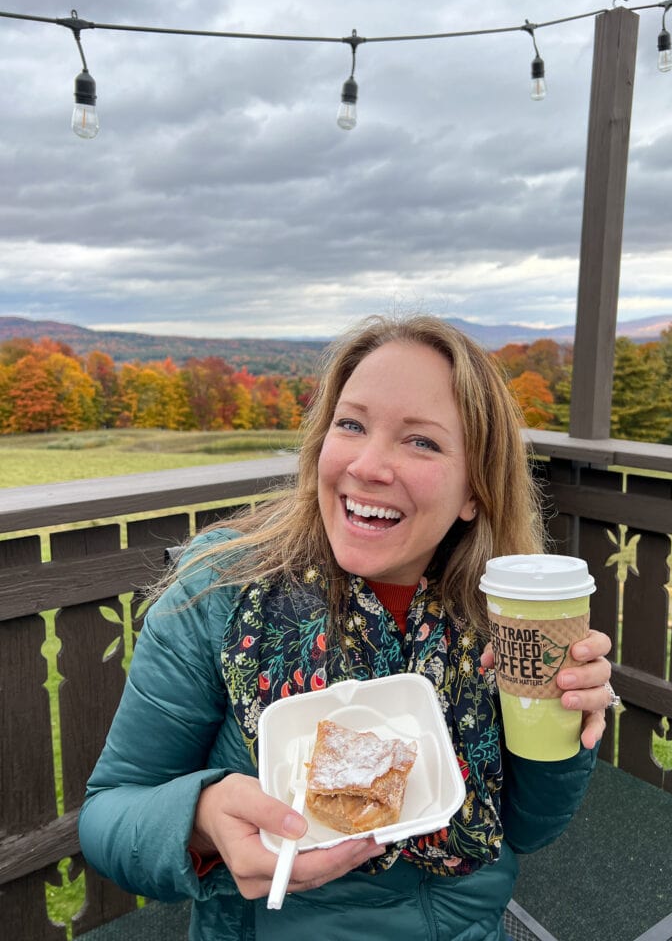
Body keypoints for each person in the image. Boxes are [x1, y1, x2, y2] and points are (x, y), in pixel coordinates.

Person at [78, 314, 614, 941]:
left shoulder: (495, 616)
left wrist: (561, 722)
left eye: (422, 442)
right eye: (351, 424)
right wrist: (199, 819)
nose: (368, 465)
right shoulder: (220, 591)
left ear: (475, 491)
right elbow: (108, 815)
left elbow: (528, 829)